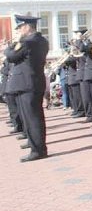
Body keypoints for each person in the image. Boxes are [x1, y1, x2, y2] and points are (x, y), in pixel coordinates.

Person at [3, 15, 49, 162]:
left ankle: (38, 149)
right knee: (32, 116)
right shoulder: (41, 40)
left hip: (27, 83)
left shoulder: (28, 42)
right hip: (32, 82)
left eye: (21, 27)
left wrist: (12, 44)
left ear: (28, 27)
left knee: (32, 118)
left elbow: (11, 55)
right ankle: (34, 143)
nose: (19, 30)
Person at [73, 28, 92, 123]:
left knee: (87, 96)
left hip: (85, 71)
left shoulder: (86, 43)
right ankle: (88, 114)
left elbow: (82, 50)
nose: (76, 37)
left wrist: (79, 41)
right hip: (81, 72)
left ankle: (90, 115)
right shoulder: (80, 44)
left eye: (78, 34)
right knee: (84, 96)